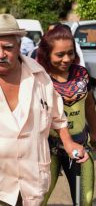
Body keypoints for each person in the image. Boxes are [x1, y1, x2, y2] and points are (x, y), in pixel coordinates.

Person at [0, 14, 88, 205]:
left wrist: (69, 143)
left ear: (19, 47)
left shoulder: (38, 74)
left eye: (8, 47)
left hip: (31, 180)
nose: (1, 54)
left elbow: (57, 117)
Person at [37, 25, 96, 205]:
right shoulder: (40, 79)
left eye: (70, 53)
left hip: (80, 146)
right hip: (49, 150)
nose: (66, 59)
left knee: (83, 201)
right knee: (37, 200)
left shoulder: (82, 74)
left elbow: (89, 105)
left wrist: (94, 132)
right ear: (47, 54)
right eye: (60, 54)